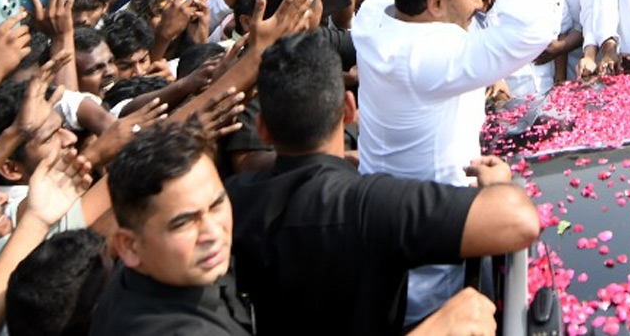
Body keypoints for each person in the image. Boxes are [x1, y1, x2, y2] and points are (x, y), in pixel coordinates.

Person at [227, 32, 538, 335]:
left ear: (263, 130)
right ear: (349, 110)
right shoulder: (372, 204)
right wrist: (498, 185)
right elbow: (518, 221)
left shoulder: (230, 203)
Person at [353, 0, 548, 323]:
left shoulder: (378, 12)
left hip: (383, 221)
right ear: (437, 2)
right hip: (429, 254)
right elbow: (533, 29)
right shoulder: (428, 57)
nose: (482, 2)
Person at [92, 123, 253, 335]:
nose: (213, 233)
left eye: (216, 206)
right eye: (184, 223)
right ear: (130, 246)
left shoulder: (137, 281)